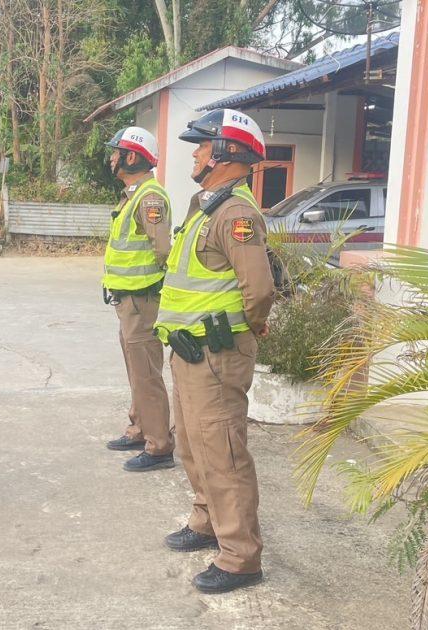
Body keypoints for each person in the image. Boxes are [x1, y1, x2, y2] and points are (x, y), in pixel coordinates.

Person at [155, 109, 275, 593]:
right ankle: (207, 521)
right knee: (192, 444)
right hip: (189, 351)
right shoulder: (205, 207)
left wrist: (251, 329)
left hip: (216, 354)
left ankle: (240, 556)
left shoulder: (235, 214)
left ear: (226, 153)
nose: (196, 154)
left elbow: (259, 290)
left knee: (223, 451)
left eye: (203, 145)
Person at [100, 127, 176, 473]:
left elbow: (163, 251)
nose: (111, 158)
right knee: (137, 370)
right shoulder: (133, 196)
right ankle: (140, 429)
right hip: (128, 301)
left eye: (116, 152)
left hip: (142, 301)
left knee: (146, 374)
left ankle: (159, 446)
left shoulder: (149, 198)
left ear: (131, 157)